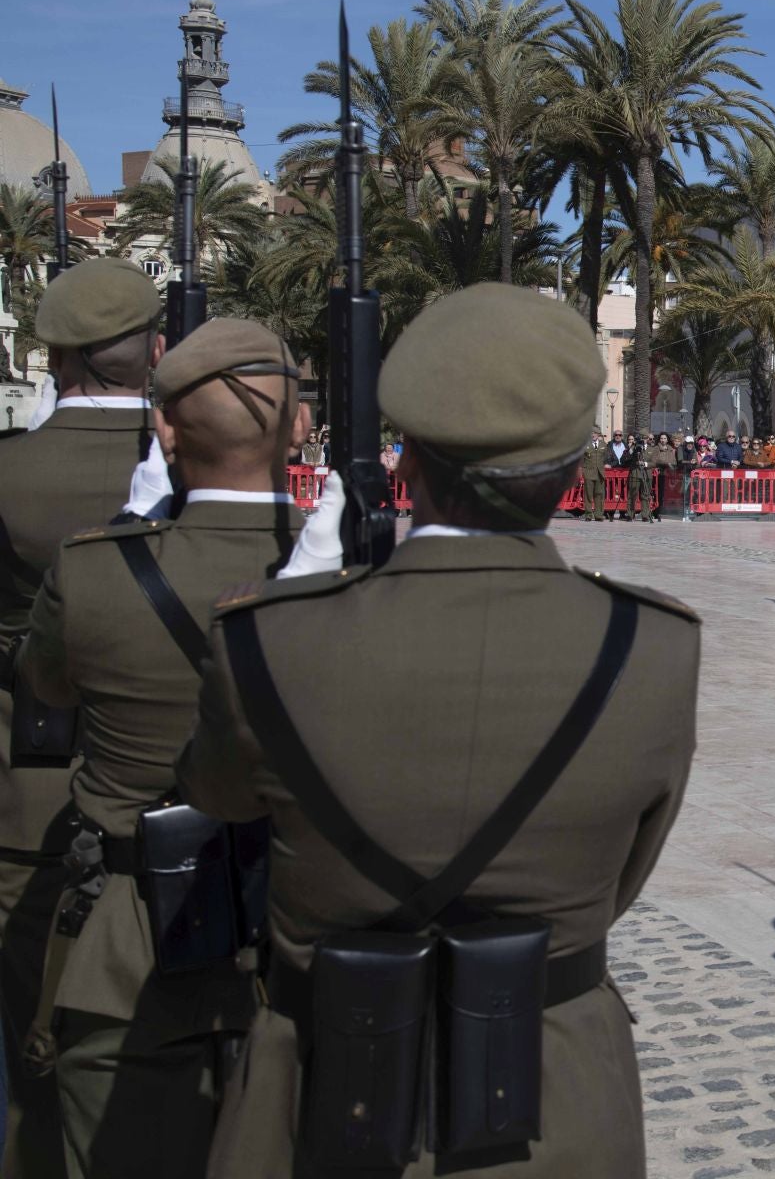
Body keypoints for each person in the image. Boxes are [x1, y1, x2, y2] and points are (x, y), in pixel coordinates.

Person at [176, 283, 698, 1176]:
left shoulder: (269, 637)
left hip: (318, 1090)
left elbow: (216, 796)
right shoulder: (651, 647)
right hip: (555, 1097)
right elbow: (624, 877)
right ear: (575, 469)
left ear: (404, 459)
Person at [15, 319, 306, 1177]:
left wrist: (129, 524)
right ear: (298, 427)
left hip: (126, 946)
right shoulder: (351, 578)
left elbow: (46, 682)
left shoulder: (97, 567)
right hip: (295, 947)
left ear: (165, 431)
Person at [0, 259, 163, 1177]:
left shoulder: (9, 472)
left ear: (54, 356)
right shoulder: (199, 467)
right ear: (156, 351)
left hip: (28, 801)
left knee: (35, 1063)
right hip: (178, 806)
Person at [579, 429, 607, 521]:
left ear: (598, 434)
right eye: (591, 433)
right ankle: (588, 514)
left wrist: (608, 464)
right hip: (589, 473)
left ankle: (598, 515)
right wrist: (582, 470)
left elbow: (607, 457)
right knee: (588, 495)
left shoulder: (603, 444)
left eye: (594, 433)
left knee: (599, 494)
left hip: (600, 473)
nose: (593, 435)